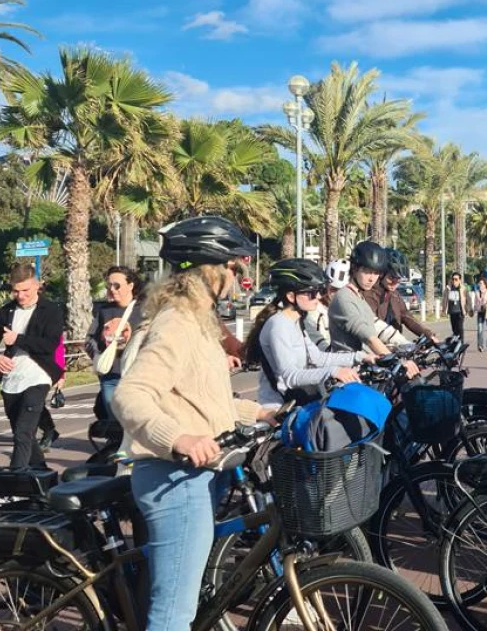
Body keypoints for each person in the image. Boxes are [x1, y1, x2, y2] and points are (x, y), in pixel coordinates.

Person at [113, 215, 276, 631]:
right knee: (173, 616)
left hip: (201, 472)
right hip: (174, 478)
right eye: (234, 266)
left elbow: (199, 396)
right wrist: (178, 437)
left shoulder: (200, 320)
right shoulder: (178, 322)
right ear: (211, 269)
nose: (239, 274)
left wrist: (257, 413)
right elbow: (130, 394)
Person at [245, 258, 369, 409]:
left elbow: (317, 358)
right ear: (291, 296)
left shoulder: (296, 321)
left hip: (300, 402)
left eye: (319, 291)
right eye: (311, 293)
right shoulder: (278, 325)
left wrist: (361, 357)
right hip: (278, 409)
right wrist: (334, 371)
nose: (318, 297)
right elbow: (290, 376)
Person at [0, 262, 65, 469]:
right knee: (20, 431)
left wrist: (18, 338)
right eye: (16, 291)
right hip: (11, 378)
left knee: (23, 431)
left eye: (25, 290)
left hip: (39, 375)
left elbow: (49, 345)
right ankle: (43, 475)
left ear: (37, 286)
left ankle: (16, 478)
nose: (21, 296)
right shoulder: (5, 312)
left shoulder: (51, 310)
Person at [327, 241, 420, 378]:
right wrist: (398, 363)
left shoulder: (358, 297)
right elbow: (369, 338)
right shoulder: (344, 298)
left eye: (376, 273)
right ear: (355, 268)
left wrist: (410, 345)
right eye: (367, 271)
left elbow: (378, 326)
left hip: (366, 371)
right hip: (348, 375)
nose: (372, 278)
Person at [86, 265, 146, 436]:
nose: (112, 290)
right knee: (115, 423)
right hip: (110, 375)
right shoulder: (104, 310)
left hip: (136, 375)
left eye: (117, 285)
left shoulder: (144, 310)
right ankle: (117, 453)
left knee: (136, 419)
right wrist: (98, 353)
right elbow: (89, 338)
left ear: (131, 285)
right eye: (109, 286)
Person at [361, 248, 438, 347]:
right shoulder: (368, 295)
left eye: (399, 279)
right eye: (391, 278)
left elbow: (407, 317)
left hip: (394, 348)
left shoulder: (394, 295)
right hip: (375, 350)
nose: (395, 283)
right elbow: (372, 329)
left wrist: (430, 336)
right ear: (381, 274)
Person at [445, 272, 472, 341]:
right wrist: (444, 310)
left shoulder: (463, 289)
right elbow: (444, 299)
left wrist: (469, 309)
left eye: (456, 279)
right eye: (453, 279)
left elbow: (468, 299)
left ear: (460, 280)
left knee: (460, 328)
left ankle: (461, 345)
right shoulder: (448, 288)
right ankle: (456, 345)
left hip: (460, 312)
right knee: (454, 330)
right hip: (452, 312)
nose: (454, 281)